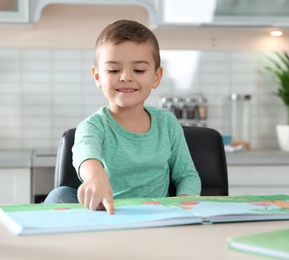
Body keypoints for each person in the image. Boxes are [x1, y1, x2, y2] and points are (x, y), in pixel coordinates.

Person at [44, 19, 201, 214]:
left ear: (156, 77)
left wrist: (183, 204)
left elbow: (187, 177)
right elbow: (86, 154)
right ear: (97, 76)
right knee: (59, 196)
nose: (126, 77)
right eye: (113, 70)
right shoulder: (93, 126)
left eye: (139, 70)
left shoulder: (167, 123)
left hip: (156, 217)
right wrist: (95, 177)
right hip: (108, 215)